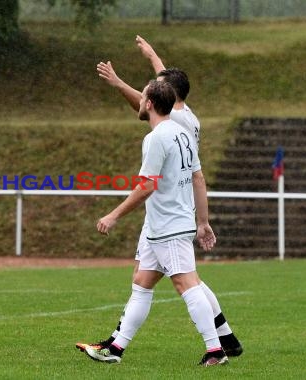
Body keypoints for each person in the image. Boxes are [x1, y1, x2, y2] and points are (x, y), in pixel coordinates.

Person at [77, 35, 242, 357]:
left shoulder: (162, 133)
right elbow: (198, 175)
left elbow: (147, 184)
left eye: (147, 94)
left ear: (153, 101)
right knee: (142, 281)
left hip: (169, 220)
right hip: (163, 221)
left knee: (186, 283)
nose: (141, 98)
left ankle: (216, 348)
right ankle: (115, 347)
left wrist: (112, 215)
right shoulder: (184, 122)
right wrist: (152, 55)